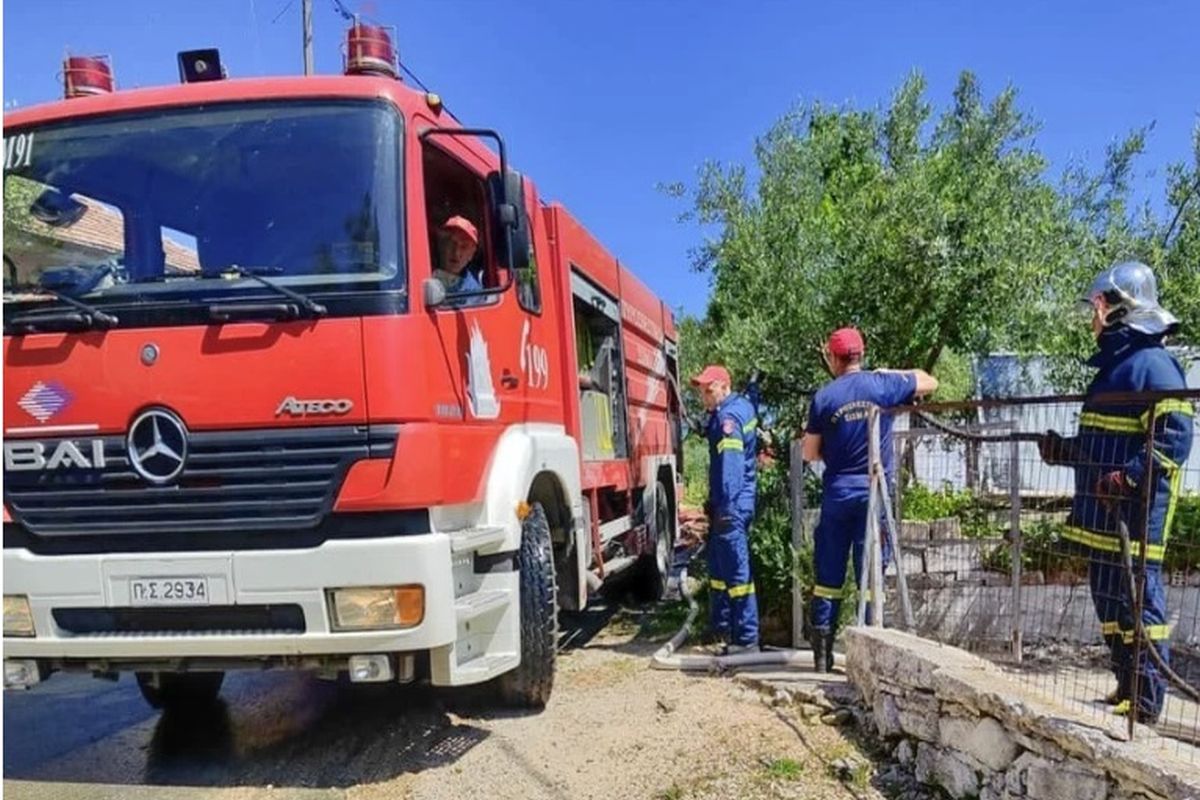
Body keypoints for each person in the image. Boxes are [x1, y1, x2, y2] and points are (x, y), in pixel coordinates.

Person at [1038, 261, 1193, 724]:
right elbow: (1102, 444)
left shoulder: (1153, 365)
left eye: (1098, 306)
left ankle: (1146, 702)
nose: (1093, 316)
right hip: (1102, 518)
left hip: (1136, 516)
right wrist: (1062, 451)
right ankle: (1126, 685)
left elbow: (1175, 437)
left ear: (1119, 309)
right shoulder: (1115, 369)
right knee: (1111, 604)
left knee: (1142, 605)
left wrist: (1129, 476)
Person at [802, 328, 938, 672]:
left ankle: (821, 659)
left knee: (828, 578)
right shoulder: (882, 386)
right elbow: (929, 381)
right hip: (873, 496)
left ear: (834, 358)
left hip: (837, 494)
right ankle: (865, 659)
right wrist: (889, 374)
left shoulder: (824, 397)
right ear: (861, 355)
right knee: (871, 577)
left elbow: (809, 453)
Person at [692, 364, 760, 654]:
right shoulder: (739, 407)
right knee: (719, 571)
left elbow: (731, 467)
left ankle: (745, 638)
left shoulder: (728, 418)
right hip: (729, 505)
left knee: (736, 574)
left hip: (730, 506)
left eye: (709, 391)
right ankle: (720, 628)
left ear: (723, 386)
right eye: (702, 392)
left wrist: (724, 505)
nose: (704, 397)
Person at [434, 215, 486, 307]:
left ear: (471, 255)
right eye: (451, 244)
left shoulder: (474, 293)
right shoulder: (422, 276)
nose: (456, 252)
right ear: (441, 246)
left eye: (464, 247)